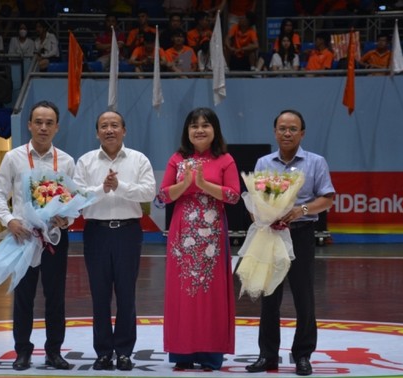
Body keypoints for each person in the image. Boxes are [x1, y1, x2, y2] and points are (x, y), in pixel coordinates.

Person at [246, 109, 335, 376]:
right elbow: (254, 199)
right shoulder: (264, 163)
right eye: (282, 128)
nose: (287, 133)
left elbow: (327, 198)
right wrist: (262, 215)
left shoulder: (316, 162)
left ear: (302, 133)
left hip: (301, 234)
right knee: (269, 297)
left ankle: (303, 355)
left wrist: (301, 210)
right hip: (271, 234)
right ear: (275, 132)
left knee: (303, 297)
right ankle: (267, 355)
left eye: (293, 128)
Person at [0, 100, 74, 371]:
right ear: (29, 125)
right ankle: (22, 352)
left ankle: (54, 352)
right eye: (38, 121)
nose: (43, 127)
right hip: (23, 237)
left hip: (55, 239)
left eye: (49, 123)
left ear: (57, 127)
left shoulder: (66, 161)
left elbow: (74, 200)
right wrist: (10, 220)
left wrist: (67, 219)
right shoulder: (13, 157)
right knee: (23, 297)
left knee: (56, 297)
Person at [73, 110, 156, 372]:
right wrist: (103, 189)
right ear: (97, 132)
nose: (109, 130)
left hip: (128, 233)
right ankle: (103, 352)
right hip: (96, 232)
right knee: (99, 296)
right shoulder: (85, 162)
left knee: (126, 295)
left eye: (115, 125)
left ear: (124, 130)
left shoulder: (138, 159)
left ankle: (123, 352)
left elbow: (148, 192)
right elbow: (78, 196)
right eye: (104, 126)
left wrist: (120, 186)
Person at [158, 107, 240, 371]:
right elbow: (162, 198)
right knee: (182, 293)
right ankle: (182, 353)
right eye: (194, 125)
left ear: (215, 130)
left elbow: (234, 196)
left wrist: (204, 185)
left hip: (213, 235)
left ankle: (210, 355)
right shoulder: (177, 159)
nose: (200, 130)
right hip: (182, 234)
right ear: (187, 131)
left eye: (205, 125)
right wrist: (186, 184)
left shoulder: (225, 159)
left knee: (211, 292)